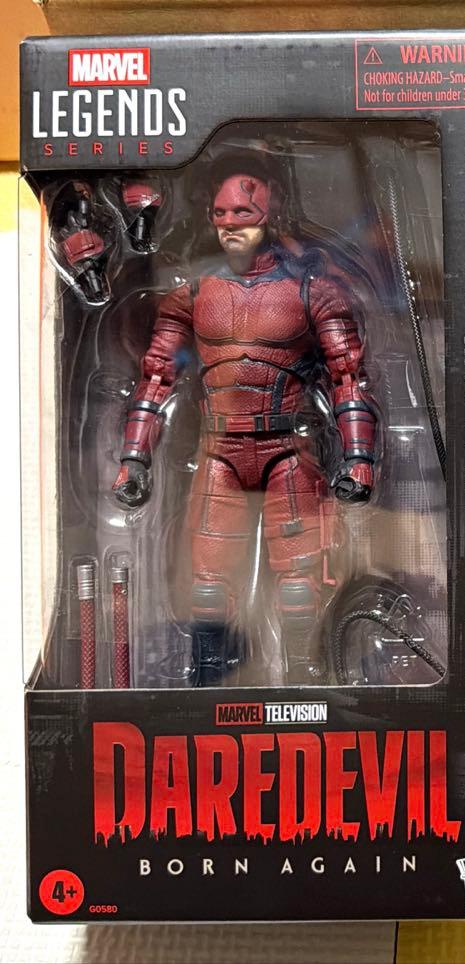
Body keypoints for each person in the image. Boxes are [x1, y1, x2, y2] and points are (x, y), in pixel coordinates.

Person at [113, 164, 378, 685]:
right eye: (220, 214)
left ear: (269, 213)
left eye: (243, 212)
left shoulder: (313, 292)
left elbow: (348, 377)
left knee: (298, 589)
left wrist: (359, 460)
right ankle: (208, 683)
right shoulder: (191, 296)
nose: (230, 224)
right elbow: (157, 377)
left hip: (288, 451)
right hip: (219, 453)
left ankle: (304, 677)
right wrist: (134, 459)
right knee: (209, 589)